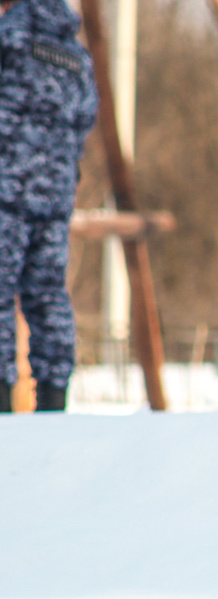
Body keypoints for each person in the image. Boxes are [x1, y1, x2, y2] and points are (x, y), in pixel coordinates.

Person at [0, 0, 98, 413]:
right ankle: (54, 401)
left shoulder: (9, 38)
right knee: (48, 295)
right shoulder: (76, 55)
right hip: (55, 193)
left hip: (6, 186)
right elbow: (84, 119)